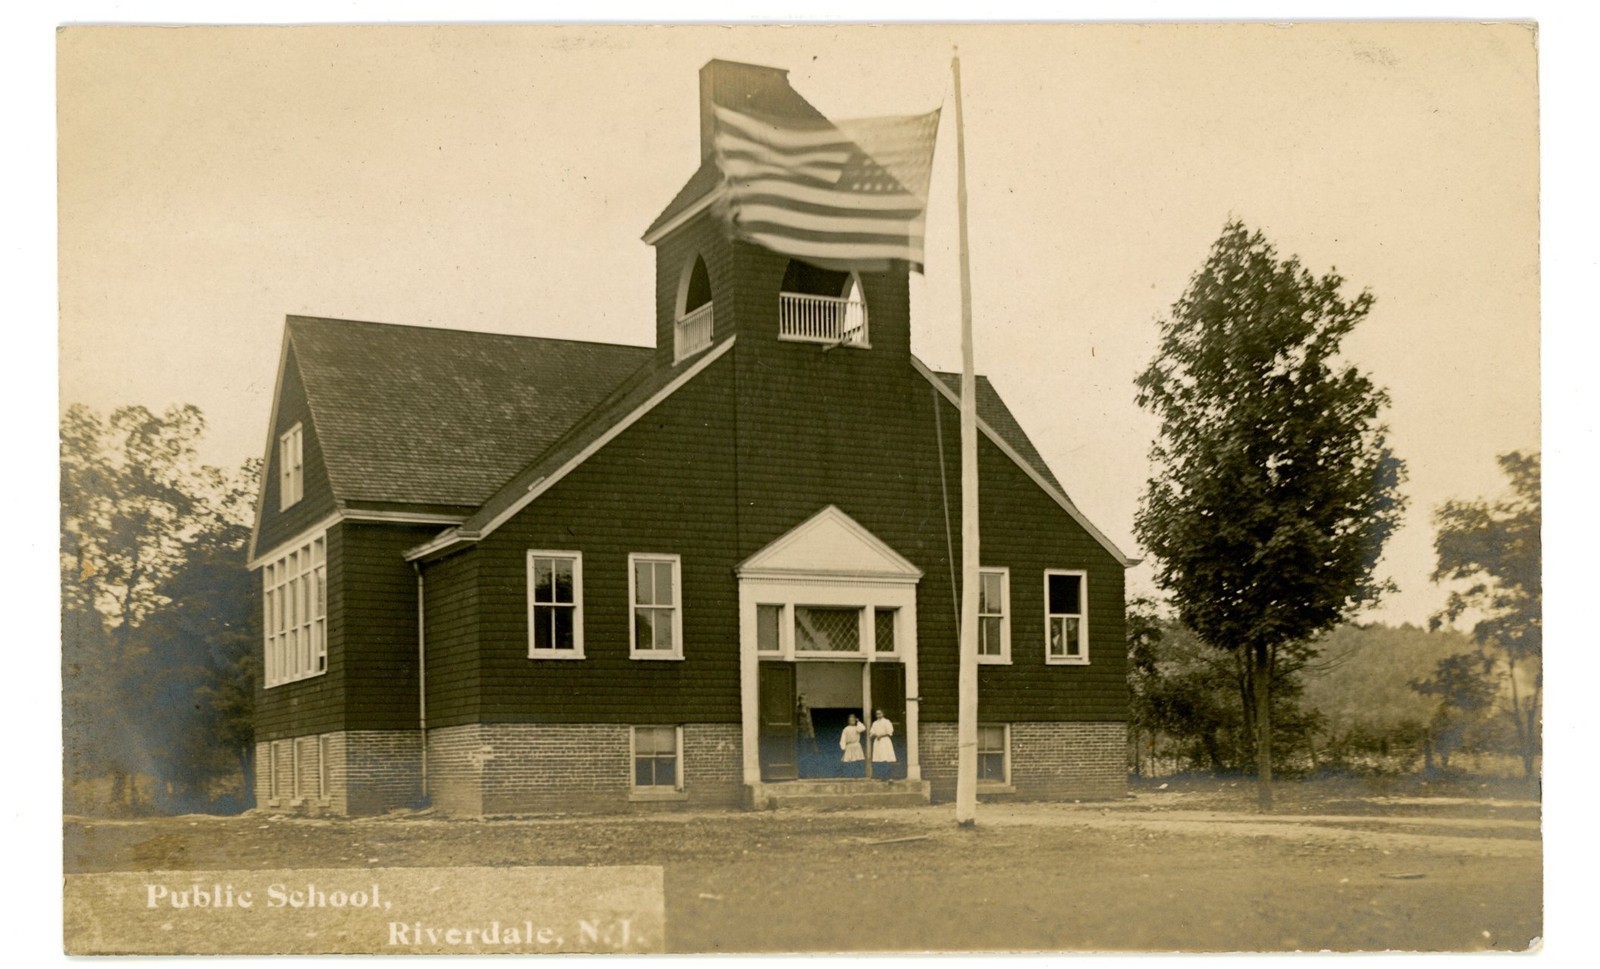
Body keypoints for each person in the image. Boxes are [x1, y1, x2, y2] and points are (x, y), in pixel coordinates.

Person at [869, 709, 897, 781]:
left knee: (886, 757)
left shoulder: (887, 722)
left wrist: (881, 735)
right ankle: (882, 776)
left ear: (883, 713)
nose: (878, 715)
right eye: (877, 714)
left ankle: (889, 776)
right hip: (878, 742)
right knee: (879, 758)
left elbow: (890, 731)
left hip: (885, 741)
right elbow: (871, 732)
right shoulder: (875, 723)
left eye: (880, 713)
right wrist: (876, 734)